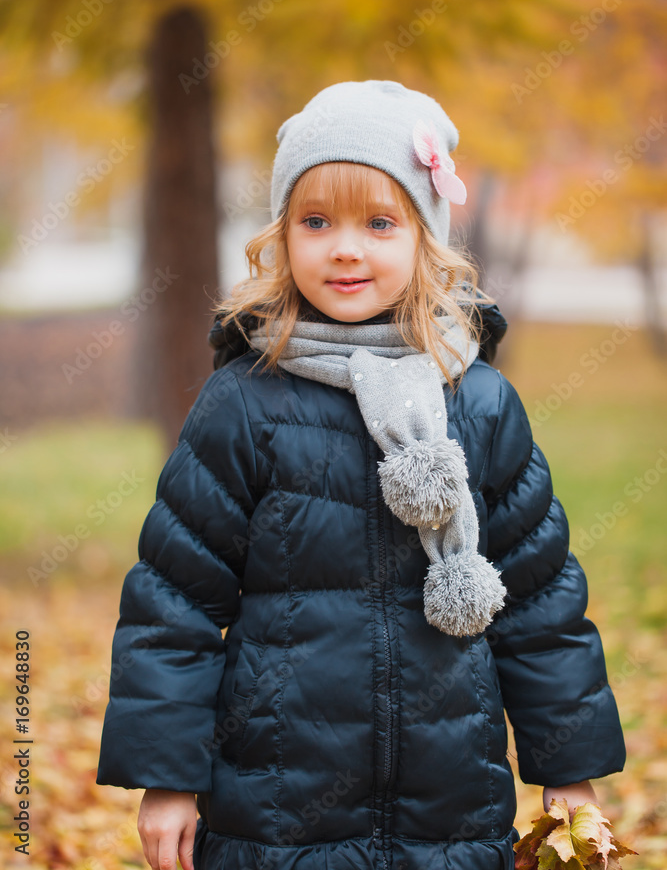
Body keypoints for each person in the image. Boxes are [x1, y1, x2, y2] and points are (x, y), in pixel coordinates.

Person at [96, 79, 626, 870]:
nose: (344, 248)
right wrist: (166, 777)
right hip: (276, 809)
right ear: (283, 237)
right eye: (315, 221)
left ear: (423, 238)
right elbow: (173, 603)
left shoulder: (478, 403)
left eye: (378, 223)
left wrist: (569, 767)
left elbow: (540, 602)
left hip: (449, 810)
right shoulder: (245, 402)